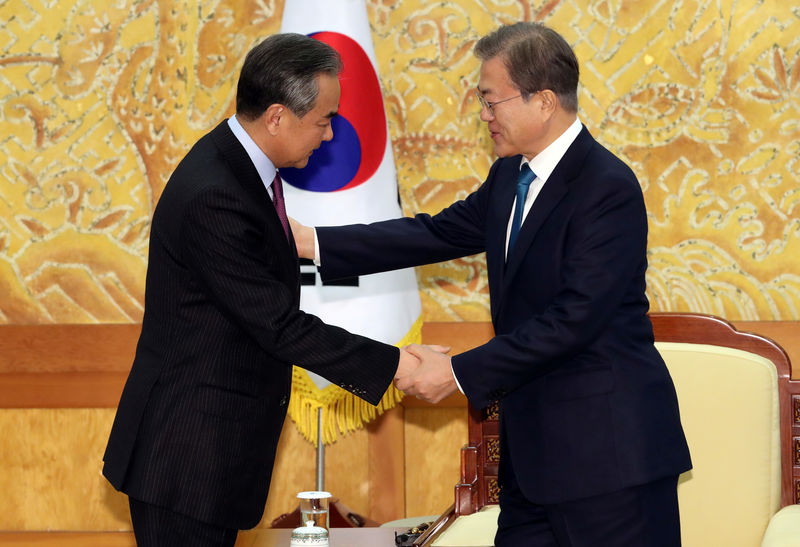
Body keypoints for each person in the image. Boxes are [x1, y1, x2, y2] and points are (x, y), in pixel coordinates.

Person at [293, 22, 691, 546]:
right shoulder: (509, 175)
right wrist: (312, 243)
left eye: (490, 100)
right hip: (532, 459)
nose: (484, 116)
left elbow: (573, 321)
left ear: (544, 101)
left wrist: (457, 373)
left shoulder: (606, 188)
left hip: (607, 461)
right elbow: (434, 233)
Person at [102, 33, 418, 547]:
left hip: (207, 454)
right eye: (323, 120)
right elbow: (277, 325)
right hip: (185, 459)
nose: (332, 135)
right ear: (276, 117)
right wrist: (397, 366)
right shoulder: (217, 195)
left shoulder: (236, 169)